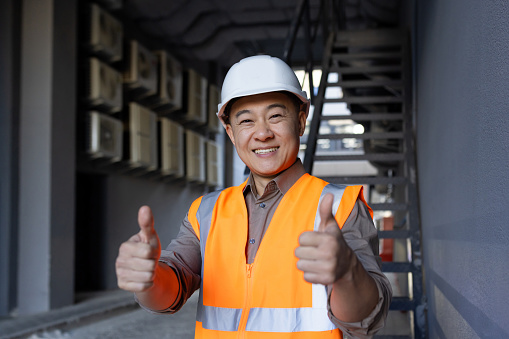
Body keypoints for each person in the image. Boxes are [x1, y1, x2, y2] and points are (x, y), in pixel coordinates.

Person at [115, 55, 392, 338]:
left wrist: (347, 273)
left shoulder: (341, 207)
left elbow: (367, 319)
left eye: (275, 116)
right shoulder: (206, 212)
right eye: (246, 120)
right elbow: (170, 292)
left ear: (300, 121)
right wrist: (148, 280)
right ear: (231, 132)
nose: (262, 133)